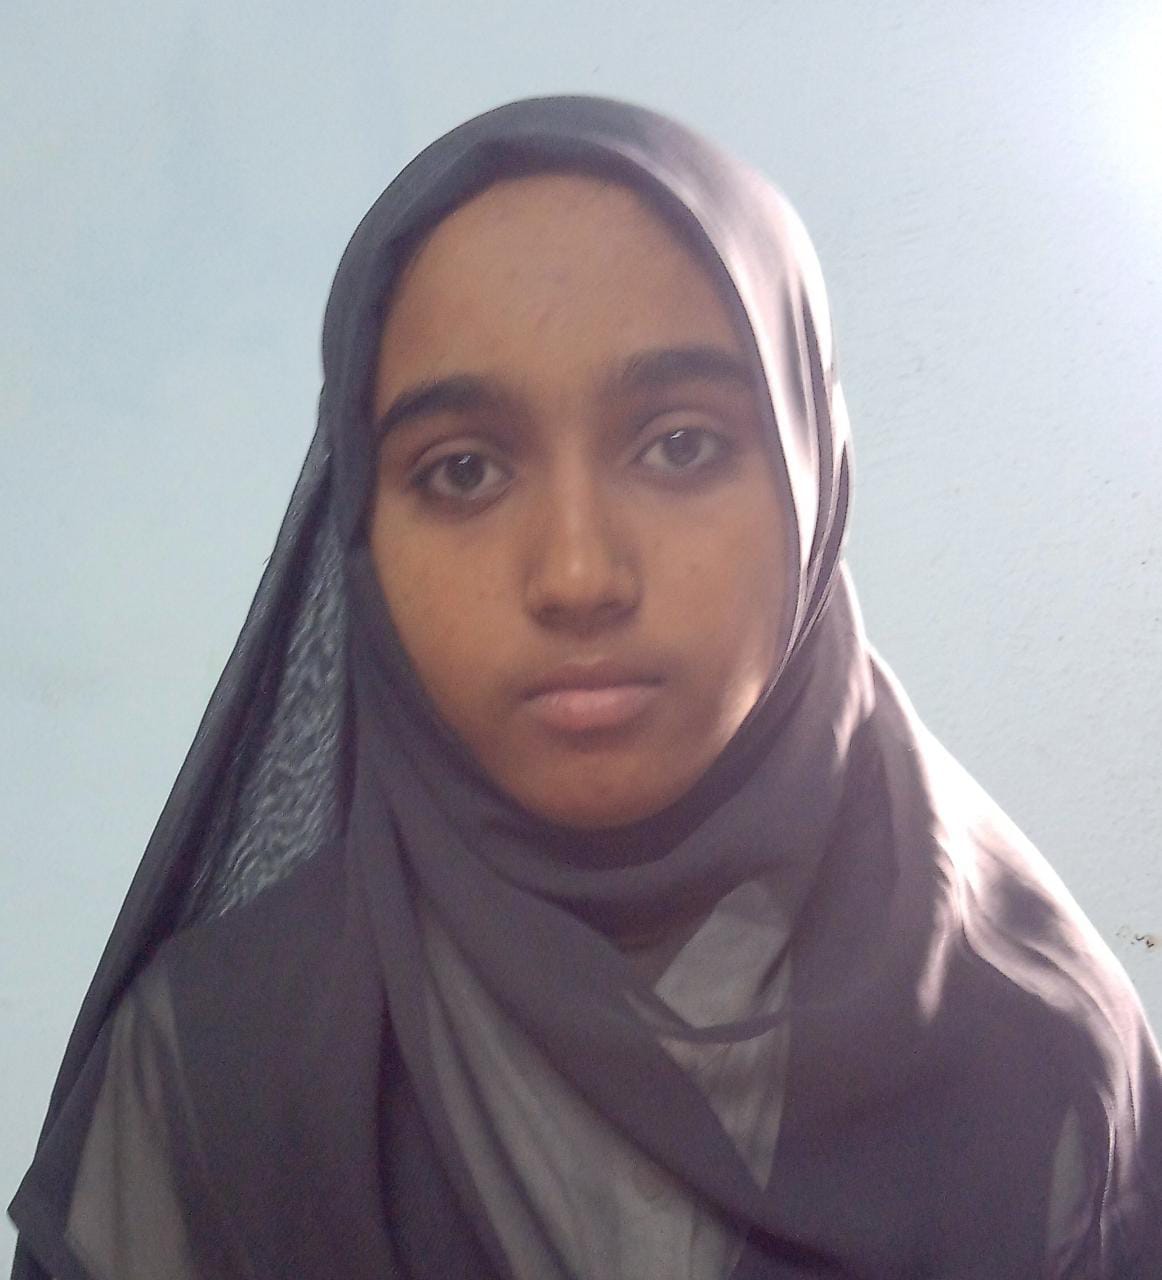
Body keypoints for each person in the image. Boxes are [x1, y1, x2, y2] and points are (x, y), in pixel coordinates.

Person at [8, 95, 1161, 1280]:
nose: (576, 576)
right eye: (463, 470)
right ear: (361, 529)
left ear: (811, 478)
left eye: (680, 445)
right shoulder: (209, 1072)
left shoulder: (1038, 1052)